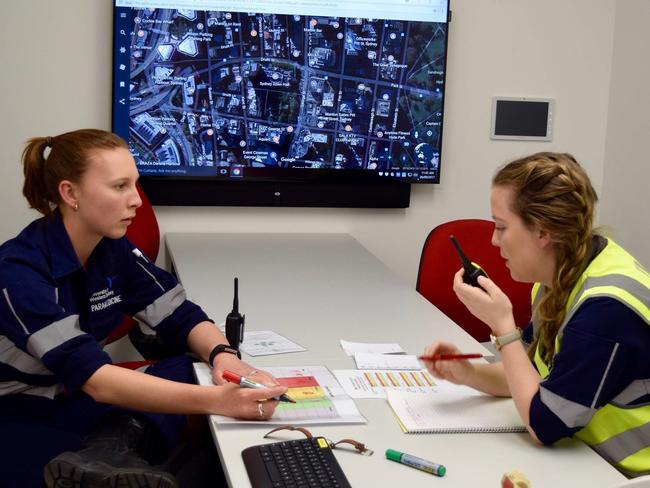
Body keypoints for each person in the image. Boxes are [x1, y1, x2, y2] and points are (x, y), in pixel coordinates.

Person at [0, 129, 288, 488]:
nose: (136, 201)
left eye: (135, 185)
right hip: (18, 411)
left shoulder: (111, 248)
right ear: (69, 193)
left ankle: (106, 452)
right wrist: (220, 401)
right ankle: (107, 453)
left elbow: (180, 314)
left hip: (72, 395)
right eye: (120, 186)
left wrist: (225, 357)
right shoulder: (18, 273)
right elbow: (97, 380)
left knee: (191, 366)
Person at [423, 152, 650, 477]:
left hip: (627, 474)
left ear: (544, 233)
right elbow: (530, 375)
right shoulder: (562, 274)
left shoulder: (604, 311)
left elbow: (545, 423)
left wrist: (503, 325)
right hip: (586, 459)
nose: (493, 239)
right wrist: (468, 373)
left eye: (501, 227)